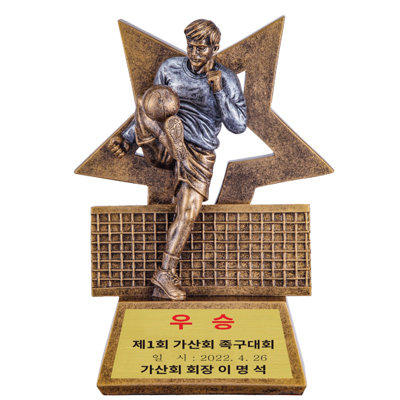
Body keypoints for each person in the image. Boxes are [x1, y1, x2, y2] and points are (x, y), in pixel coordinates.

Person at [109, 19, 247, 300]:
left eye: (201, 48)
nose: (194, 53)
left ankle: (164, 274)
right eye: (190, 47)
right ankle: (168, 138)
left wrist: (219, 91)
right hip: (163, 144)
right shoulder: (170, 68)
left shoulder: (227, 78)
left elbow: (239, 125)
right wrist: (126, 138)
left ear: (215, 48)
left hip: (199, 153)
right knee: (147, 101)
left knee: (188, 211)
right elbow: (148, 107)